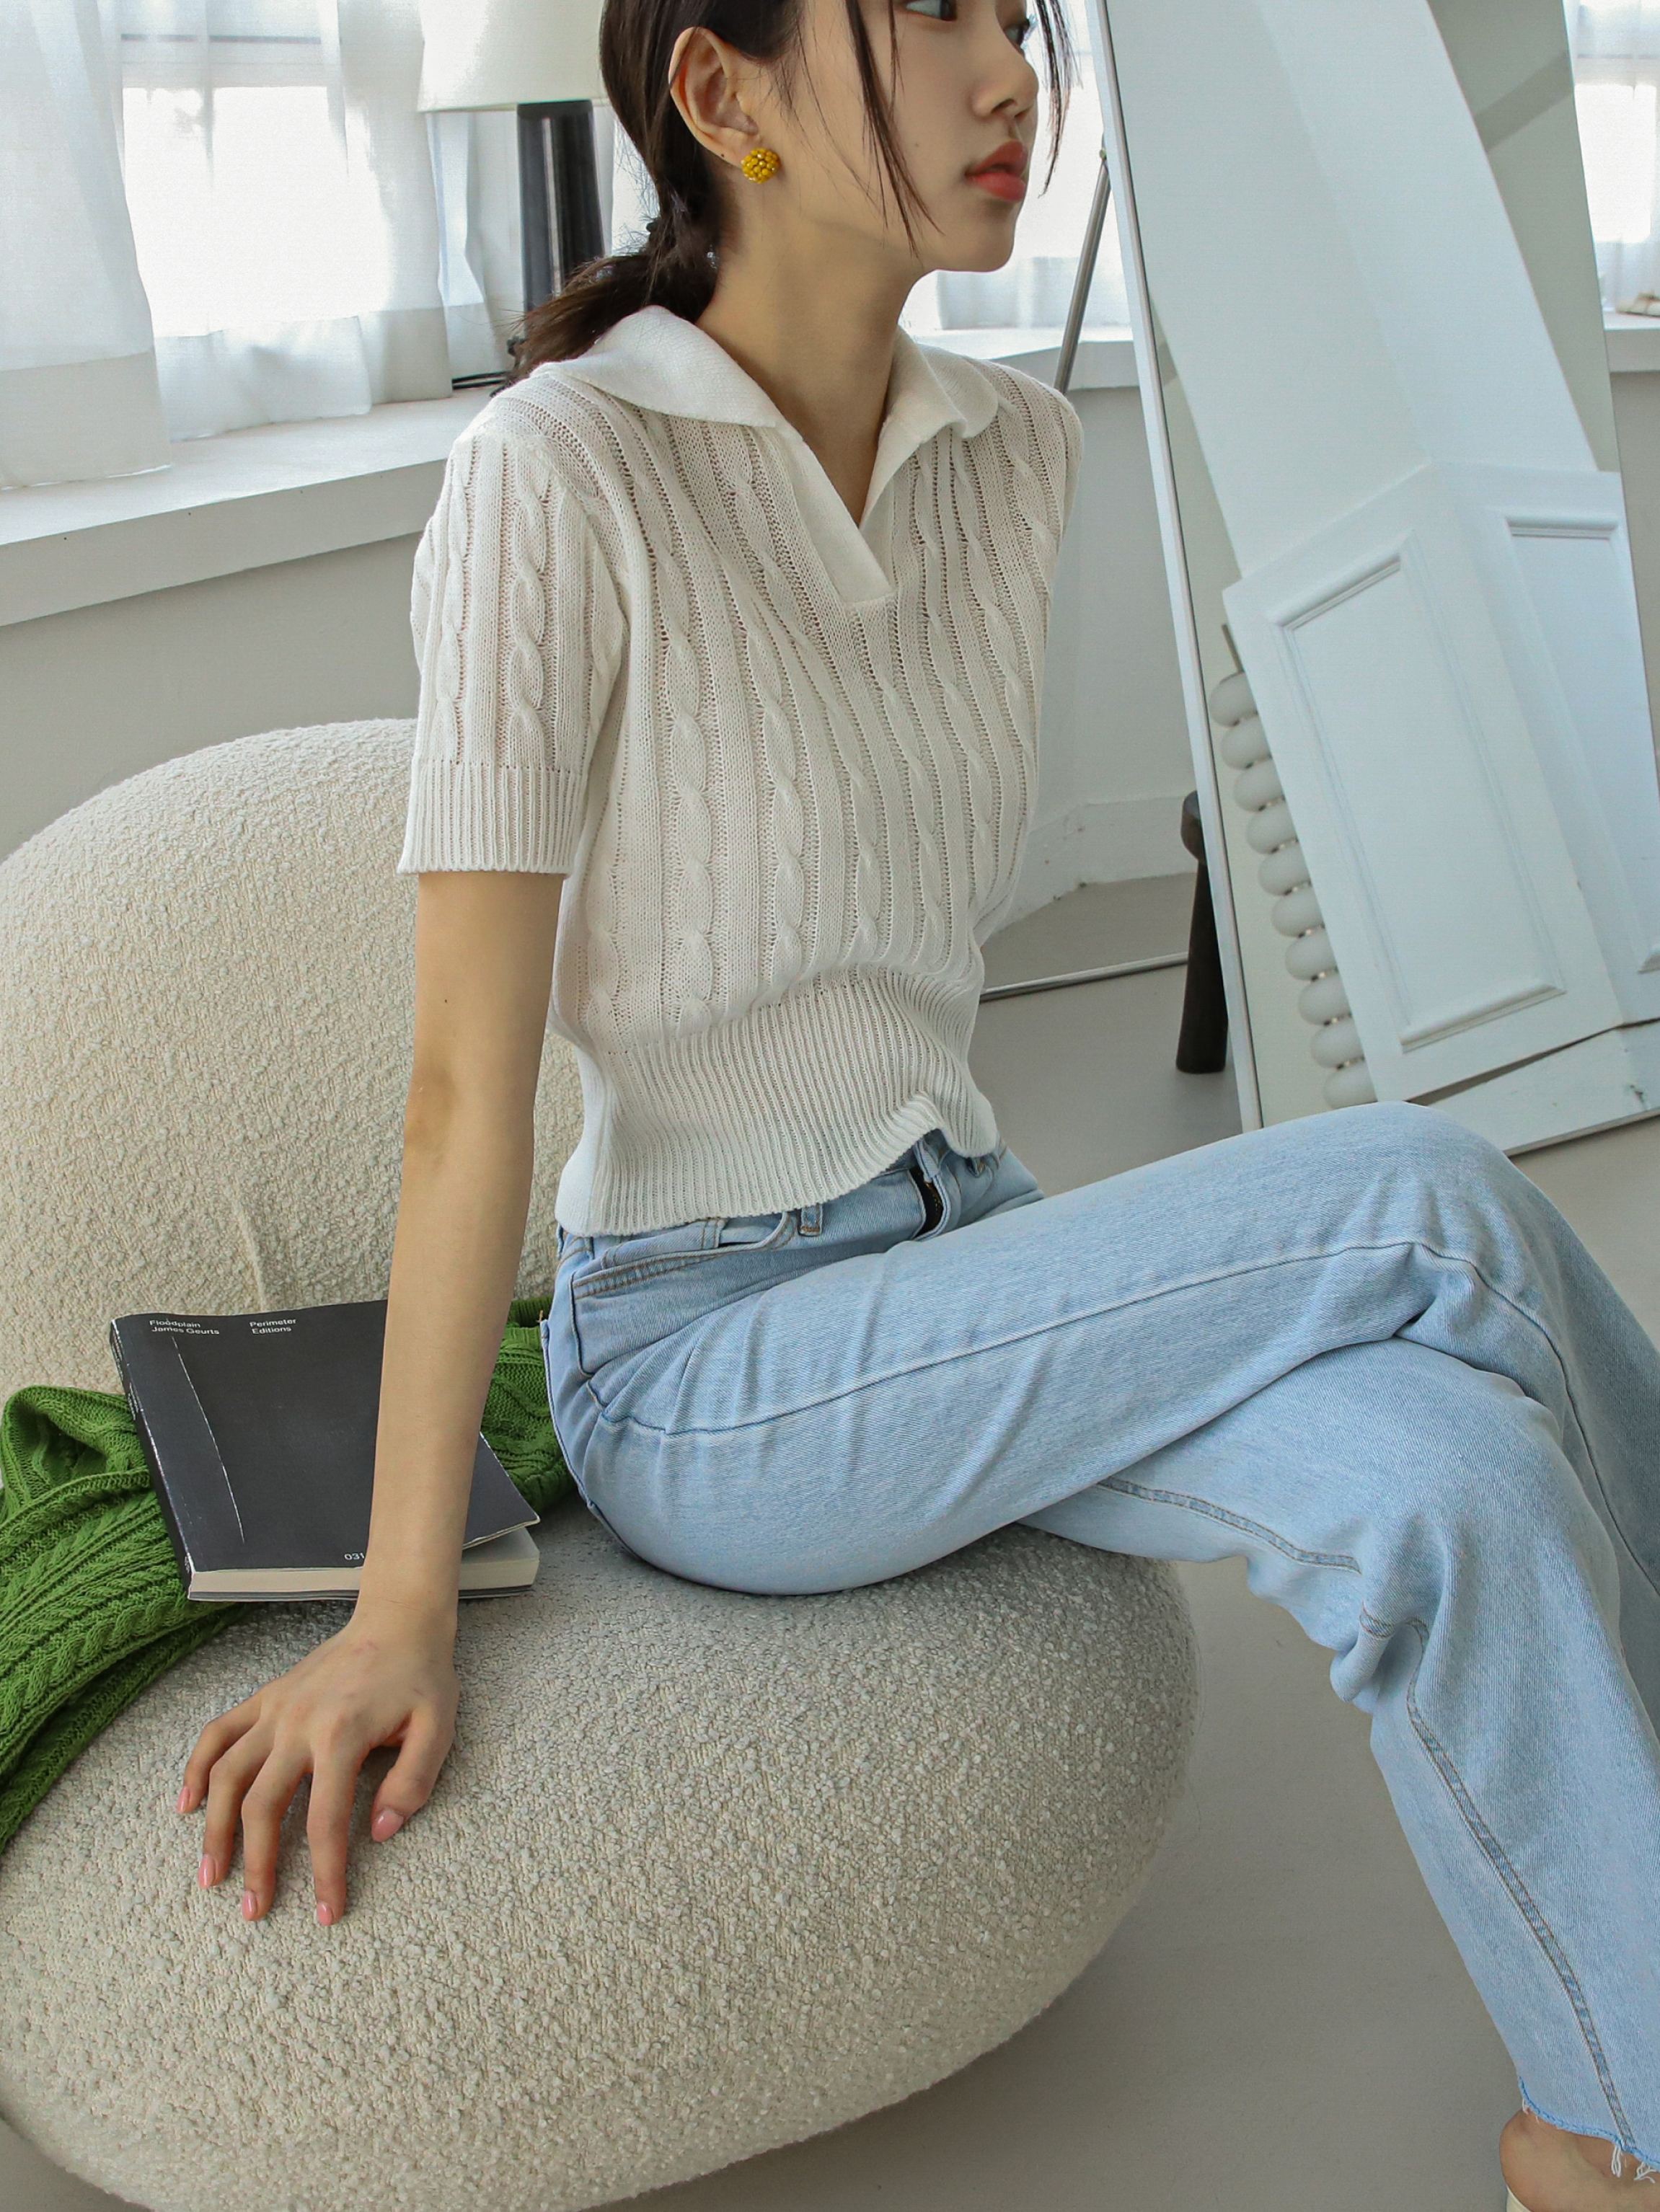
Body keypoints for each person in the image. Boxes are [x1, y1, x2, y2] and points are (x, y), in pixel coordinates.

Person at [174, 0, 1660, 2199]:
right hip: (712, 1361)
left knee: (1452, 1481)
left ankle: (1598, 2134)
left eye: (1015, 18)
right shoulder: (557, 476)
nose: (1008, 76)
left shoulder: (1011, 455)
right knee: (1419, 1195)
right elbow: (462, 1085)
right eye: (933, 15)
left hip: (972, 1245)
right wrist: (399, 1597)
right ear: (719, 94)